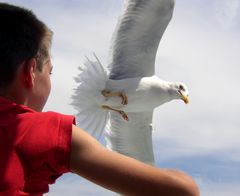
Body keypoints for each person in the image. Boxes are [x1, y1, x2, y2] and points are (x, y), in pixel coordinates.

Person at [0, 2, 199, 196]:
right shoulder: (40, 131)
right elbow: (182, 190)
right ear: (31, 72)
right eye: (50, 72)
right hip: (102, 95)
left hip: (106, 103)